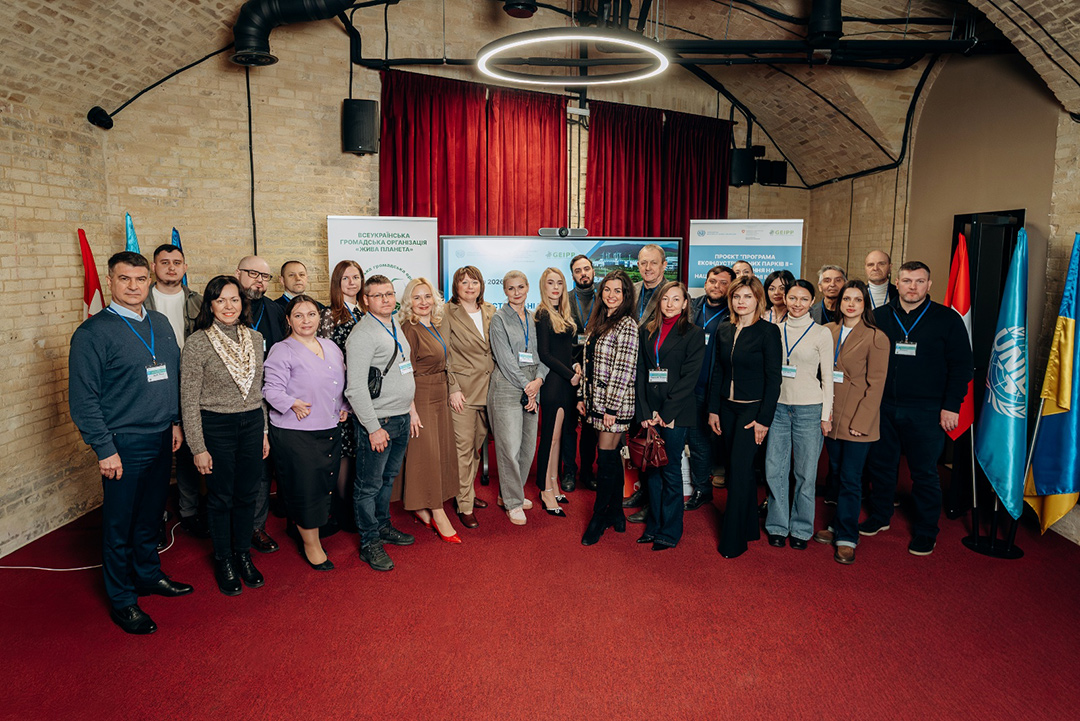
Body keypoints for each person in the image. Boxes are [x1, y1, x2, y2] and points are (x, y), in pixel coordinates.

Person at [69, 251, 192, 635]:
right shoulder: (92, 333)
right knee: (120, 523)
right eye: (125, 279)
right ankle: (122, 598)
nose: (134, 286)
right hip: (122, 442)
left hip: (161, 436)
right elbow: (83, 399)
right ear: (110, 282)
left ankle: (148, 575)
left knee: (151, 515)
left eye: (140, 279)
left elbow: (171, 374)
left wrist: (174, 421)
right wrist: (104, 448)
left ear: (149, 281)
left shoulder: (159, 322)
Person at [862, 261, 973, 556]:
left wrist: (951, 406)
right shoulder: (879, 316)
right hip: (884, 406)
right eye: (907, 281)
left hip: (927, 410)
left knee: (924, 472)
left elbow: (962, 367)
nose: (913, 287)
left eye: (920, 281)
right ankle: (880, 515)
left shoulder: (947, 319)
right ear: (896, 283)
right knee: (881, 466)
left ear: (929, 285)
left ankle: (926, 530)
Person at [181, 275, 269, 596]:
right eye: (221, 300)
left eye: (234, 299)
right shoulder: (197, 342)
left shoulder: (256, 338)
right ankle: (224, 559)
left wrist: (264, 431)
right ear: (210, 305)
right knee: (220, 497)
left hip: (251, 423)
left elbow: (258, 390)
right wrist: (197, 447)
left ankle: (243, 554)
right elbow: (188, 399)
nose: (228, 306)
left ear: (243, 303)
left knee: (247, 494)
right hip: (215, 426)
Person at [263, 295, 349, 571]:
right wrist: (292, 403)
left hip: (329, 427)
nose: (306, 321)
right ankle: (311, 544)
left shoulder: (330, 346)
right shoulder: (281, 350)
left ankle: (311, 528)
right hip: (296, 432)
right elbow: (270, 390)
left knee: (324, 483)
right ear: (288, 320)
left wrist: (344, 406)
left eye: (311, 314)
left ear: (319, 318)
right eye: (298, 315)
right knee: (305, 488)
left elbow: (338, 382)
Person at [813, 280, 890, 564]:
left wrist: (863, 421)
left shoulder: (876, 337)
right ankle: (836, 524)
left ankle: (847, 536)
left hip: (858, 418)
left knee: (850, 477)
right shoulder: (827, 330)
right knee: (835, 472)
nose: (851, 304)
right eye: (847, 299)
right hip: (831, 415)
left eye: (858, 299)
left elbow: (877, 384)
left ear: (865, 304)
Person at [345, 276, 417, 571]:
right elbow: (355, 389)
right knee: (368, 486)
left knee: (388, 479)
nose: (386, 299)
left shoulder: (393, 322)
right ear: (365, 300)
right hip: (379, 422)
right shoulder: (362, 334)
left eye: (389, 293)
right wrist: (373, 428)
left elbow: (403, 369)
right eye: (378, 295)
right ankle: (369, 542)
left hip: (400, 416)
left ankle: (383, 526)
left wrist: (410, 408)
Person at [708, 276, 781, 559]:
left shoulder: (768, 332)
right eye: (737, 296)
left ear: (758, 299)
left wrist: (764, 419)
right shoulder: (724, 329)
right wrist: (713, 409)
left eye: (747, 296)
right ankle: (749, 526)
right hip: (727, 409)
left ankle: (733, 540)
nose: (741, 302)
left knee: (738, 472)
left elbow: (774, 379)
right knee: (737, 469)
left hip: (752, 411)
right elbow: (718, 371)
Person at [763, 279, 833, 550]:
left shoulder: (821, 333)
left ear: (812, 301)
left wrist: (826, 415)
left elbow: (827, 378)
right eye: (792, 298)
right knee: (775, 469)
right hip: (778, 408)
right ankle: (777, 525)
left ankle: (802, 528)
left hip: (809, 409)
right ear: (784, 298)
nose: (797, 304)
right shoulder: (774, 330)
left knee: (805, 473)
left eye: (804, 299)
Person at [635, 281, 705, 550]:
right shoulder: (647, 330)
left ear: (685, 303)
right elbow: (641, 372)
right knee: (652, 471)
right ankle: (653, 526)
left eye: (676, 299)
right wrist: (644, 411)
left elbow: (689, 378)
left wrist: (665, 413)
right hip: (650, 412)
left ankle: (670, 531)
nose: (670, 304)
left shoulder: (694, 334)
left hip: (675, 412)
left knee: (671, 470)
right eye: (665, 299)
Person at [143, 243, 206, 538]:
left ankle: (189, 511)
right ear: (153, 267)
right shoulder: (141, 300)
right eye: (165, 262)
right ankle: (153, 516)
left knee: (190, 450)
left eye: (177, 262)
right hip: (153, 384)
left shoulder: (198, 301)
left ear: (185, 267)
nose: (171, 267)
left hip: (191, 382)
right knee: (154, 454)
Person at [396, 278, 461, 543]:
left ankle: (420, 505)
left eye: (427, 296)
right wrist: (411, 409)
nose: (423, 302)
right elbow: (404, 371)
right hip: (420, 395)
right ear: (408, 302)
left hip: (439, 393)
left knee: (438, 452)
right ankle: (437, 511)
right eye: (417, 297)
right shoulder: (408, 329)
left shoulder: (433, 324)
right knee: (427, 454)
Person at [577, 270, 639, 546]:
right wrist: (582, 396)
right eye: (607, 290)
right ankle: (616, 514)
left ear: (626, 295)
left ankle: (598, 517)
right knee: (611, 458)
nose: (611, 295)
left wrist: (611, 409)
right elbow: (588, 363)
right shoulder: (600, 319)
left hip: (613, 406)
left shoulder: (627, 324)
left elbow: (623, 371)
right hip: (596, 403)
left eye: (618, 291)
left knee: (604, 460)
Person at [487, 271, 547, 526]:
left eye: (520, 287)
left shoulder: (535, 319)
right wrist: (527, 387)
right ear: (505, 291)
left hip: (533, 384)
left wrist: (539, 380)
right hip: (508, 386)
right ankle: (513, 502)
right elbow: (505, 359)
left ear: (527, 287)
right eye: (511, 288)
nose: (516, 292)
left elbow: (545, 354)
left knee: (527, 446)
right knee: (509, 448)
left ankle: (511, 493)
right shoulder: (498, 319)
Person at [235, 255, 287, 553]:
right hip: (234, 402)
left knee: (264, 467)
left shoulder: (276, 310)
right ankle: (233, 528)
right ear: (238, 273)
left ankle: (257, 526)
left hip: (270, 398)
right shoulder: (226, 305)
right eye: (253, 273)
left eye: (265, 276)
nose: (259, 280)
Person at [443, 266, 496, 529]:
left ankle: (467, 492)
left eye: (474, 281)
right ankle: (464, 504)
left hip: (490, 391)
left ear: (481, 285)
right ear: (456, 287)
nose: (469, 286)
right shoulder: (446, 312)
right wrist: (452, 387)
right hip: (462, 393)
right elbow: (443, 352)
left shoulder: (490, 311)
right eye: (463, 282)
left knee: (475, 448)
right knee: (463, 450)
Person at [319, 260, 365, 531]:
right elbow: (325, 358)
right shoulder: (329, 314)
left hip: (367, 392)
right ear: (337, 282)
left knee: (362, 449)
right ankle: (343, 511)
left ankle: (360, 508)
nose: (351, 282)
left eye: (356, 277)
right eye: (345, 278)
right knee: (345, 451)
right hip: (343, 392)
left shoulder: (367, 311)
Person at [686, 265, 734, 510]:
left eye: (724, 283)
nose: (717, 286)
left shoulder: (733, 314)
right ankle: (693, 487)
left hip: (714, 388)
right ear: (705, 283)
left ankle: (705, 489)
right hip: (686, 386)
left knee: (703, 442)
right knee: (690, 440)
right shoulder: (690, 307)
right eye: (713, 281)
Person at [535, 267, 579, 517]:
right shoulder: (542, 314)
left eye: (559, 283)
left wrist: (575, 364)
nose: (555, 287)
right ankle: (545, 489)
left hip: (566, 382)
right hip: (553, 383)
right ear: (543, 286)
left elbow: (565, 351)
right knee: (550, 439)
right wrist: (570, 374)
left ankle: (554, 482)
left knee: (558, 439)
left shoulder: (563, 313)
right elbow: (545, 354)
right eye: (550, 283)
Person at [566, 254, 598, 492]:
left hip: (595, 371)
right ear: (573, 275)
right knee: (568, 426)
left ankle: (587, 472)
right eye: (578, 271)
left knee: (590, 428)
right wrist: (570, 365)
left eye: (586, 269)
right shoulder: (565, 300)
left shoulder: (605, 299)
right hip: (569, 370)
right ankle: (569, 471)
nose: (583, 273)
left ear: (593, 270)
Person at [632, 244, 668, 327]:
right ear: (638, 265)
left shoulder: (674, 293)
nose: (648, 268)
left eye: (654, 263)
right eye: (643, 263)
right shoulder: (630, 289)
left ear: (664, 265)